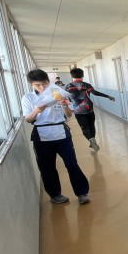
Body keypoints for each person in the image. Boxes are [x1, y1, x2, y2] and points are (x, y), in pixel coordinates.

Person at [21, 69, 90, 204]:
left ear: (48, 81)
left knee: (72, 164)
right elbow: (28, 119)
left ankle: (82, 193)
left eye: (44, 84)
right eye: (37, 85)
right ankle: (55, 195)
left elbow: (69, 115)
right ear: (31, 85)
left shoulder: (56, 93)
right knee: (47, 167)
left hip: (61, 132)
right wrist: (37, 110)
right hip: (42, 135)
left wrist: (65, 106)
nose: (42, 87)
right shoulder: (28, 98)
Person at [65, 68, 116, 151]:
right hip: (89, 109)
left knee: (84, 127)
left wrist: (68, 105)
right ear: (82, 75)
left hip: (78, 111)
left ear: (72, 76)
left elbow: (67, 98)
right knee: (91, 125)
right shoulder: (86, 85)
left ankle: (91, 140)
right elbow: (95, 93)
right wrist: (108, 96)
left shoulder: (68, 86)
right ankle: (92, 140)